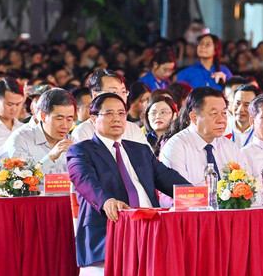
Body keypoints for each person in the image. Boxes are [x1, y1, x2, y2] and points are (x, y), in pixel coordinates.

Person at [67, 93, 189, 266]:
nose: (116, 118)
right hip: (110, 229)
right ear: (93, 119)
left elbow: (168, 177)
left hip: (152, 228)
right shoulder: (81, 150)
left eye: (121, 113)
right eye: (109, 113)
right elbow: (85, 181)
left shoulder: (140, 150)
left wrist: (197, 195)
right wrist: (106, 201)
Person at [159, 87, 240, 187]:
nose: (221, 120)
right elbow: (179, 193)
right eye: (214, 114)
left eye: (224, 113)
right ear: (194, 118)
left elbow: (245, 183)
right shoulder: (176, 147)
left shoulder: (230, 147)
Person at [3, 88, 75, 176]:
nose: (65, 126)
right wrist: (50, 157)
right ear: (43, 116)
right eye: (59, 119)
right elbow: (20, 179)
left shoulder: (73, 143)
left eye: (69, 119)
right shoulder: (21, 140)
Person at [71, 69, 148, 144]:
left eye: (123, 91)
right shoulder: (83, 132)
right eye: (113, 92)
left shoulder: (133, 129)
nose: (120, 97)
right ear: (95, 95)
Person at [226, 84, 260, 148]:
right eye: (237, 103)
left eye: (246, 105)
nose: (240, 109)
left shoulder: (261, 130)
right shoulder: (223, 126)